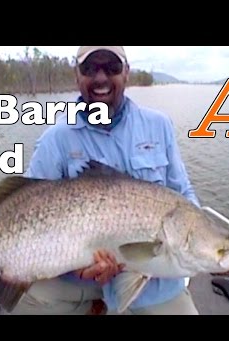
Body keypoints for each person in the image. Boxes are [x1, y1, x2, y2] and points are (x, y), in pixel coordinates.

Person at [11, 46, 201, 315]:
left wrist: (211, 243)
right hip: (75, 278)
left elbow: (183, 193)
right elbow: (23, 207)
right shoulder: (56, 139)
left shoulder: (159, 125)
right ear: (77, 75)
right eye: (90, 68)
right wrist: (77, 265)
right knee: (23, 303)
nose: (101, 78)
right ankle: (94, 302)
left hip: (154, 282)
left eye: (111, 67)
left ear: (126, 73)